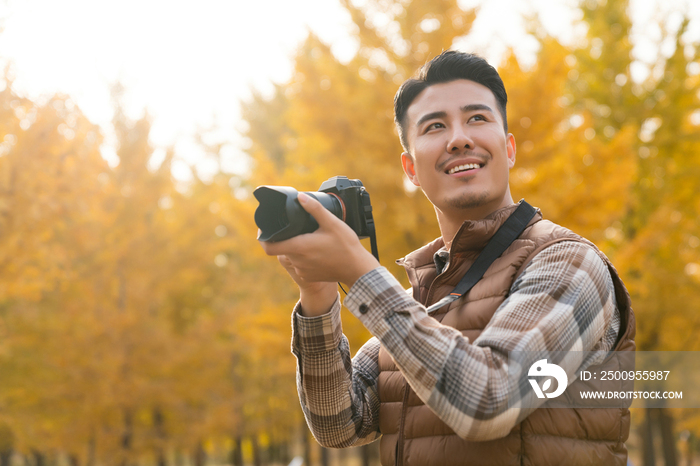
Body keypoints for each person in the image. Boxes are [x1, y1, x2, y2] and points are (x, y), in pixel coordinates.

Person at [259, 51, 635, 466]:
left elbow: (491, 400)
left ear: (508, 148)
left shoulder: (568, 262)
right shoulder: (418, 299)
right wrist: (318, 295)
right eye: (435, 126)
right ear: (411, 169)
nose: (459, 138)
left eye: (477, 118)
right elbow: (339, 423)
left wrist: (359, 271)